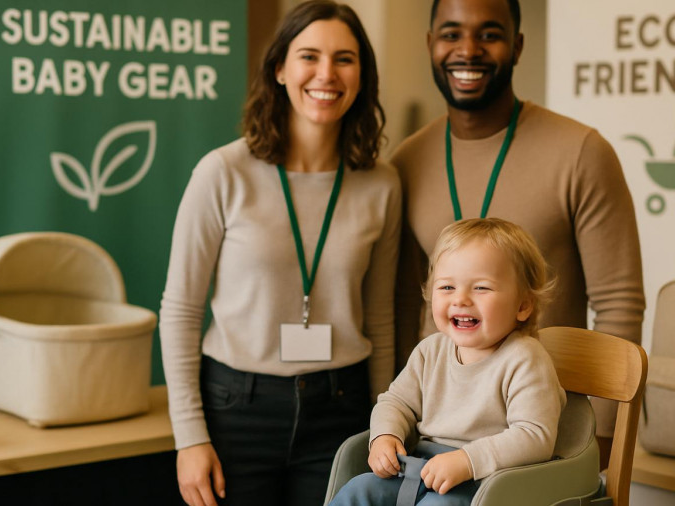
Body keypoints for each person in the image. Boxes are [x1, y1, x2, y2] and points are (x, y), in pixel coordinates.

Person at [159, 2, 401, 505]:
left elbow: (378, 317)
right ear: (280, 69)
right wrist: (190, 438)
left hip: (342, 406)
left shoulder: (382, 183)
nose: (326, 74)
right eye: (308, 56)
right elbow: (180, 310)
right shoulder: (222, 172)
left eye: (344, 59)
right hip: (236, 409)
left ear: (363, 75)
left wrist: (383, 425)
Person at [390, 0, 645, 466]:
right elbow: (408, 304)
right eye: (450, 34)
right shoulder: (407, 161)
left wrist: (602, 445)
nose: (468, 50)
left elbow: (619, 305)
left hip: (543, 442)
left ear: (517, 45)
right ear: (431, 45)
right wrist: (393, 423)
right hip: (436, 442)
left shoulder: (582, 152)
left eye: (489, 34)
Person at [330, 218, 566, 506]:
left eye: (481, 288)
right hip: (418, 468)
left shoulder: (525, 358)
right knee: (359, 489)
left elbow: (534, 436)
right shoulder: (430, 350)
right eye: (446, 287)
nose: (461, 299)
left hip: (487, 482)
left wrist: (467, 460)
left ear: (523, 305)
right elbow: (396, 402)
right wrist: (385, 435)